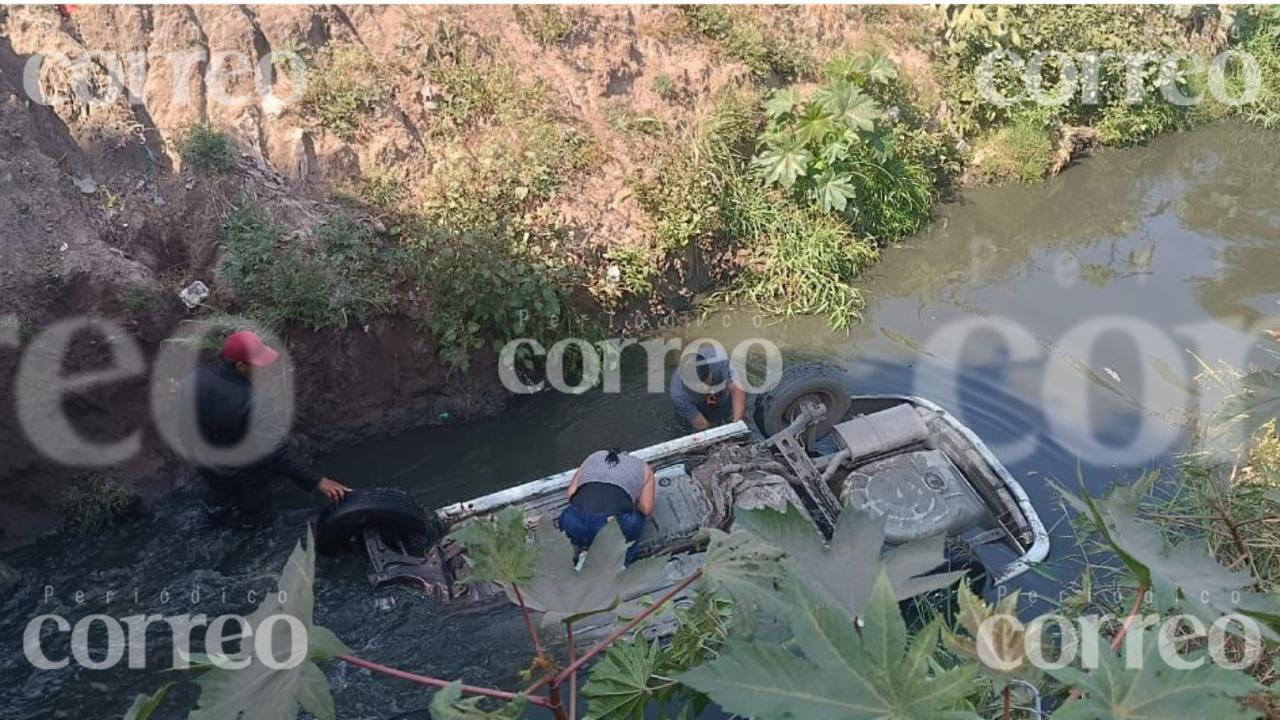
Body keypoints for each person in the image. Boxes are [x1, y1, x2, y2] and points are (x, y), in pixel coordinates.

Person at [178, 330, 350, 526]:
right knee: (258, 519)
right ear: (241, 366)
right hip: (243, 471)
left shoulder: (196, 378)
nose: (265, 368)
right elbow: (277, 451)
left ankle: (216, 514)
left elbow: (184, 426)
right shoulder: (253, 401)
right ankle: (252, 528)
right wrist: (318, 481)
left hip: (206, 462)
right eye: (258, 365)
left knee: (220, 499)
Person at [559, 448, 655, 555]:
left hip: (573, 524)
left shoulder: (593, 457)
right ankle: (621, 564)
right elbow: (646, 509)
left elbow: (571, 494)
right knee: (638, 519)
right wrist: (630, 502)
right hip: (612, 527)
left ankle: (576, 554)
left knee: (569, 514)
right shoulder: (643, 468)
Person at [669, 346, 747, 431]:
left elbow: (737, 388)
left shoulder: (720, 361)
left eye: (706, 385)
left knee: (737, 415)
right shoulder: (679, 393)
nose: (704, 390)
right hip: (697, 404)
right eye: (698, 388)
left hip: (720, 394)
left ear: (710, 373)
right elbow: (702, 425)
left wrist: (737, 424)